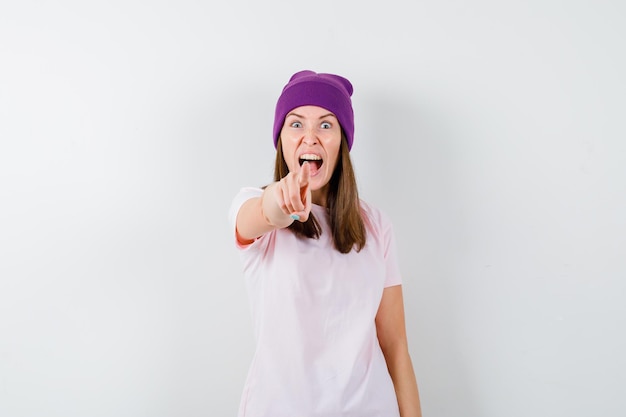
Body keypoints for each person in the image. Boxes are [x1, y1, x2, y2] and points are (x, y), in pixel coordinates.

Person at [228, 70, 422, 417]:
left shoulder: (376, 226)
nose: (310, 138)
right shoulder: (253, 206)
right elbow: (264, 213)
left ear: (343, 141)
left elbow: (395, 347)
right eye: (296, 124)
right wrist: (281, 202)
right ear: (282, 138)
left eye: (326, 125)